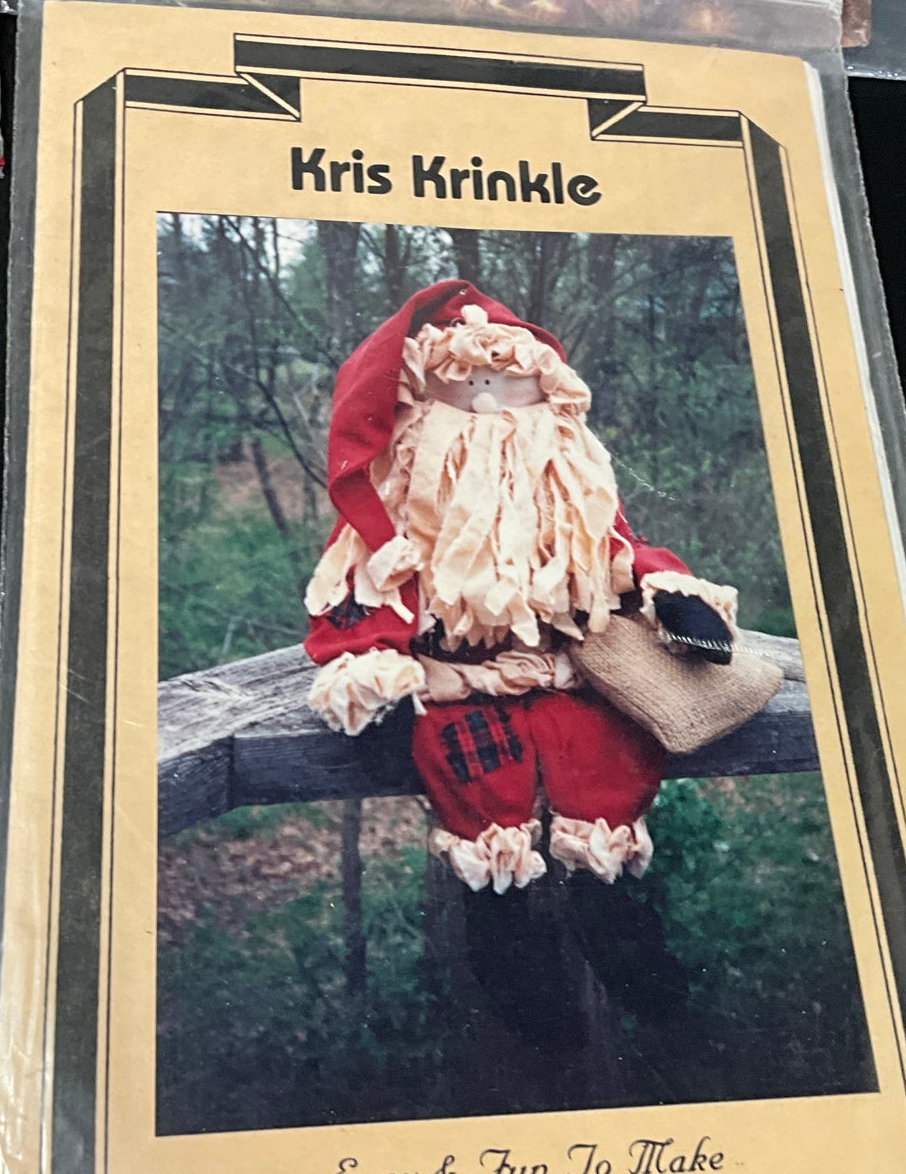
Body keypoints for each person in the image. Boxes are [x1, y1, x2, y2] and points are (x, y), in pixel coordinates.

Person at [304, 280, 741, 892]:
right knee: (476, 774)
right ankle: (503, 885)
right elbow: (369, 584)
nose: (487, 404)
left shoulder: (568, 487)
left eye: (505, 385)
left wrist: (670, 592)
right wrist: (372, 659)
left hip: (568, 669)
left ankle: (593, 871)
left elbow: (613, 549)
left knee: (600, 748)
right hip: (455, 682)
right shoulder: (401, 511)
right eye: (466, 388)